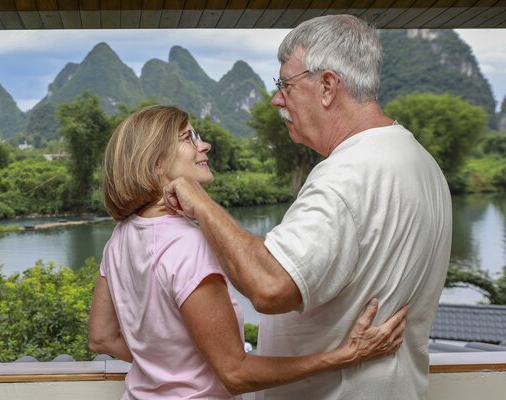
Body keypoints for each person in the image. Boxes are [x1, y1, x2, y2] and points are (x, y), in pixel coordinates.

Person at [159, 15, 452, 400]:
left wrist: (201, 204)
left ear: (328, 86)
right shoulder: (419, 161)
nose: (276, 99)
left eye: (285, 85)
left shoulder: (348, 175)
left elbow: (270, 287)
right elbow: (327, 259)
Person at [89, 105, 408, 399]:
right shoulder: (188, 245)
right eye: (189, 138)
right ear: (156, 162)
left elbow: (101, 337)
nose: (204, 145)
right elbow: (235, 373)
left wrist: (167, 366)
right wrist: (345, 355)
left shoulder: (119, 239)